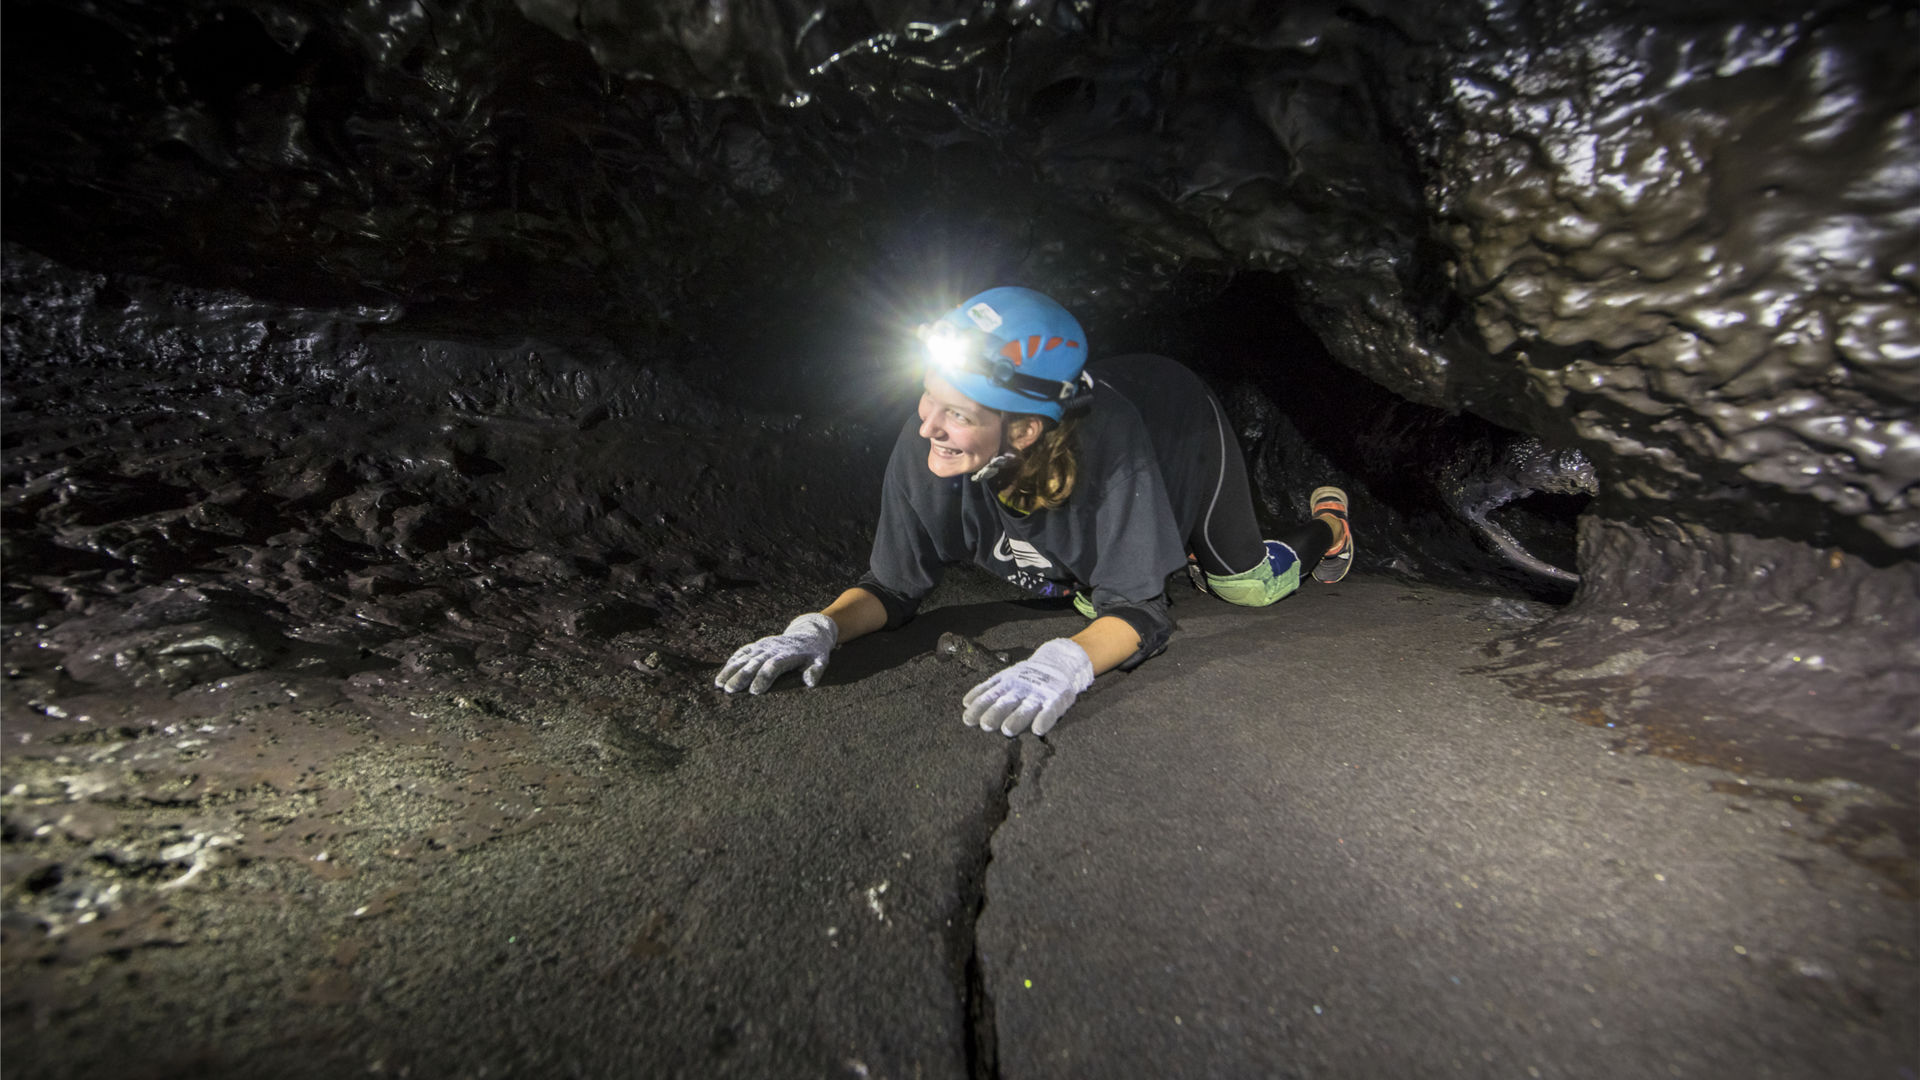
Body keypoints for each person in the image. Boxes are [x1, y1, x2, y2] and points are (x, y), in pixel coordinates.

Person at [715, 286, 1352, 737]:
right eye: (928, 398)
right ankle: (1150, 542)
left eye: (958, 414)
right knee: (1078, 594)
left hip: (1176, 420)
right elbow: (892, 585)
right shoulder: (932, 451)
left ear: (1022, 432)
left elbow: (1138, 611)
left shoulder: (1115, 450)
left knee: (1242, 587)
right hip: (1066, 471)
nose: (926, 426)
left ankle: (1330, 524)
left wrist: (1063, 664)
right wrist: (817, 628)